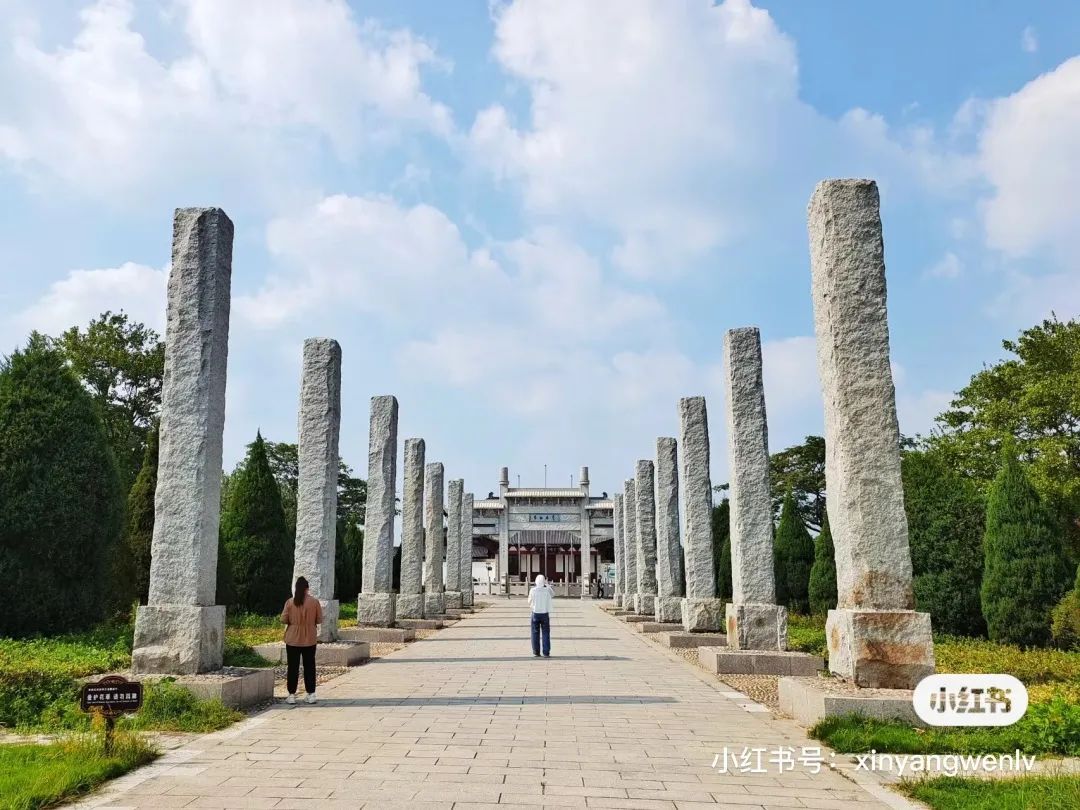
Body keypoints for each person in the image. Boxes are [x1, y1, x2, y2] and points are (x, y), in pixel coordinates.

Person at [281, 576, 323, 704]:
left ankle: (292, 695)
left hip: (293, 638)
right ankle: (311, 694)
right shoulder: (314, 602)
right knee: (309, 666)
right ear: (307, 588)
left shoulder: (290, 602)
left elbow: (283, 619)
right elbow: (319, 620)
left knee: (293, 667)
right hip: (309, 638)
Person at [528, 573, 553, 657]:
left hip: (535, 613)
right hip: (545, 613)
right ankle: (546, 652)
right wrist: (547, 584)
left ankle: (536, 652)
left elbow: (529, 601)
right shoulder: (546, 590)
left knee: (535, 633)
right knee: (546, 633)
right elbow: (553, 594)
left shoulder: (532, 590)